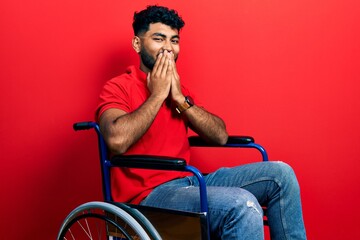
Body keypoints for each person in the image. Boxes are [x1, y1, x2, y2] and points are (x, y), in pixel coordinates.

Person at [95, 5, 306, 240]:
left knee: (281, 175)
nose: (168, 48)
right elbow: (116, 140)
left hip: (190, 182)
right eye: (158, 38)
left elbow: (220, 136)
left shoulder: (180, 91)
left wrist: (179, 100)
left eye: (174, 41)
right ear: (137, 44)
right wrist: (157, 95)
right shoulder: (118, 86)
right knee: (241, 204)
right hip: (150, 196)